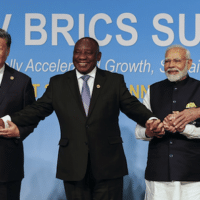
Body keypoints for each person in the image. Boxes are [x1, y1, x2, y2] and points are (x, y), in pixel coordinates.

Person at [0, 37, 162, 200]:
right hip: (73, 166)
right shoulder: (59, 83)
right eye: (77, 52)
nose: (82, 56)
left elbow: (132, 105)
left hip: (108, 167)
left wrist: (150, 119)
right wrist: (7, 119)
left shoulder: (113, 81)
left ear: (98, 56)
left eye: (88, 52)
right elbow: (36, 110)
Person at [135, 44, 200, 200]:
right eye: (167, 61)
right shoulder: (153, 90)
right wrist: (150, 131)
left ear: (189, 63)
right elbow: (139, 130)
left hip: (192, 175)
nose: (171, 65)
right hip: (158, 174)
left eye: (177, 60)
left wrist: (183, 128)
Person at [0, 29, 36, 199]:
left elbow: (32, 115)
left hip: (7, 166)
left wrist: (20, 131)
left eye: (0, 48)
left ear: (7, 51)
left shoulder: (22, 82)